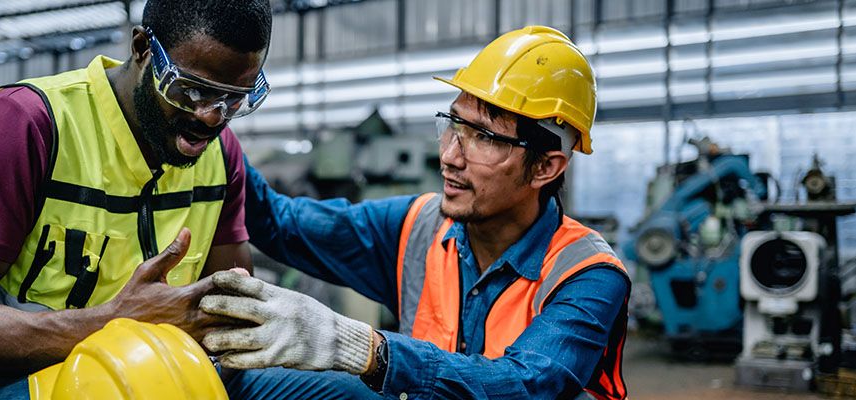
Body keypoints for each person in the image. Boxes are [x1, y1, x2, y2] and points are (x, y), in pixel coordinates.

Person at [202, 26, 631, 399]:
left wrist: (363, 349)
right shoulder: (418, 228)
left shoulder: (588, 275)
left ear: (545, 166)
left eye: (482, 138)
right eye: (453, 125)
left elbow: (525, 386)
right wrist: (214, 125)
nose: (449, 156)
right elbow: (281, 224)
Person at [0, 1, 272, 398]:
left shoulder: (221, 153)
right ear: (142, 48)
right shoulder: (26, 123)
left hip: (151, 371)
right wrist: (114, 322)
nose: (211, 117)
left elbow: (231, 311)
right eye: (191, 90)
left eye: (234, 99)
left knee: (336, 391)